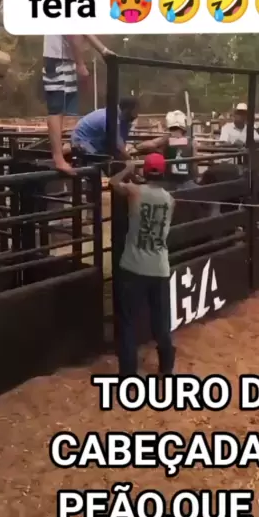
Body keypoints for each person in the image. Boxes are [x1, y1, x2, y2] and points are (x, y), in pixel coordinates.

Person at [109, 153, 176, 376]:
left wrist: (128, 169)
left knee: (128, 323)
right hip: (159, 267)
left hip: (133, 266)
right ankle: (166, 367)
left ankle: (128, 374)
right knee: (161, 322)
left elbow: (113, 183)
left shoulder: (134, 191)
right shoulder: (170, 200)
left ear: (145, 171)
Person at [43, 34, 114, 175]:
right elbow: (74, 36)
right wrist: (80, 63)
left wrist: (103, 50)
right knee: (56, 110)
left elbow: (82, 30)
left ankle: (60, 156)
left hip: (62, 58)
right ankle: (58, 158)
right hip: (58, 58)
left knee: (60, 109)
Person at [134, 109, 198, 190]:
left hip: (169, 183)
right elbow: (195, 166)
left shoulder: (165, 140)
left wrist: (136, 146)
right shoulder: (192, 142)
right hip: (188, 182)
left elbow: (145, 145)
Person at [70, 96, 139, 159]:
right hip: (82, 141)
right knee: (106, 162)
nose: (137, 115)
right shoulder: (111, 118)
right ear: (127, 110)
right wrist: (130, 161)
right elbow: (119, 147)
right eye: (135, 111)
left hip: (95, 142)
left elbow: (121, 144)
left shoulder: (122, 119)